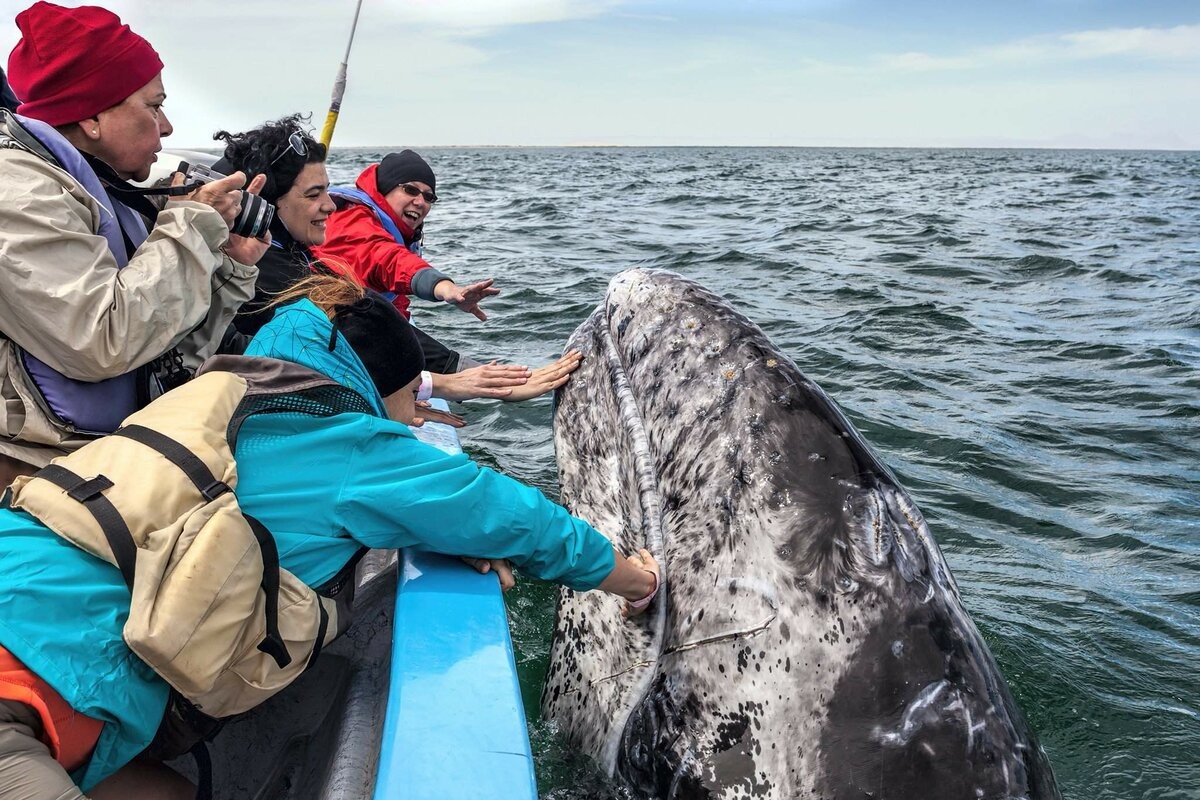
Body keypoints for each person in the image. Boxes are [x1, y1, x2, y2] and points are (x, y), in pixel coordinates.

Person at [0, 270, 660, 800]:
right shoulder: (349, 443)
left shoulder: (229, 386)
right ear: (375, 391)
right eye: (406, 403)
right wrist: (634, 580)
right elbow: (514, 514)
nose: (407, 423)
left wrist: (421, 520)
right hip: (34, 690)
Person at [0, 2, 267, 486]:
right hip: (37, 473)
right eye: (154, 105)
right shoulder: (17, 195)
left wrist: (227, 268)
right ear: (93, 116)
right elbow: (101, 342)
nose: (166, 127)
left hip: (107, 457)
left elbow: (162, 352)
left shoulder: (104, 191)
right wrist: (192, 222)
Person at [214, 115, 581, 403]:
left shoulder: (290, 250)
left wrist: (458, 373)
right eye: (314, 194)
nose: (329, 205)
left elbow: (364, 316)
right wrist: (445, 383)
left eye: (429, 196)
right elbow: (358, 301)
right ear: (259, 205)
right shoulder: (273, 267)